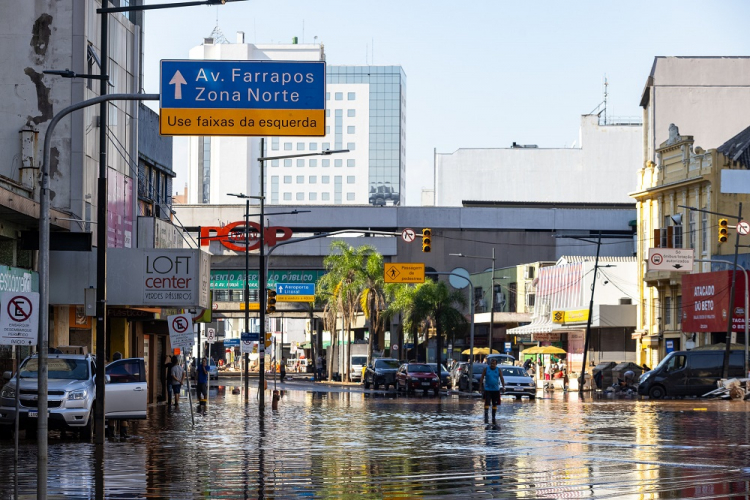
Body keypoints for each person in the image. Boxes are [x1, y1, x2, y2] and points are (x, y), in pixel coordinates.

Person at [479, 357, 506, 428]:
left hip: (496, 390)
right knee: (487, 402)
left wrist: (503, 387)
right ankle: (486, 415)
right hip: (487, 389)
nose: (492, 365)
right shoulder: (486, 369)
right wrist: (480, 387)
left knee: (495, 403)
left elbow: (502, 378)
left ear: (496, 364)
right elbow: (482, 378)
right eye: (491, 363)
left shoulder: (498, 370)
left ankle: (493, 416)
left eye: (494, 364)